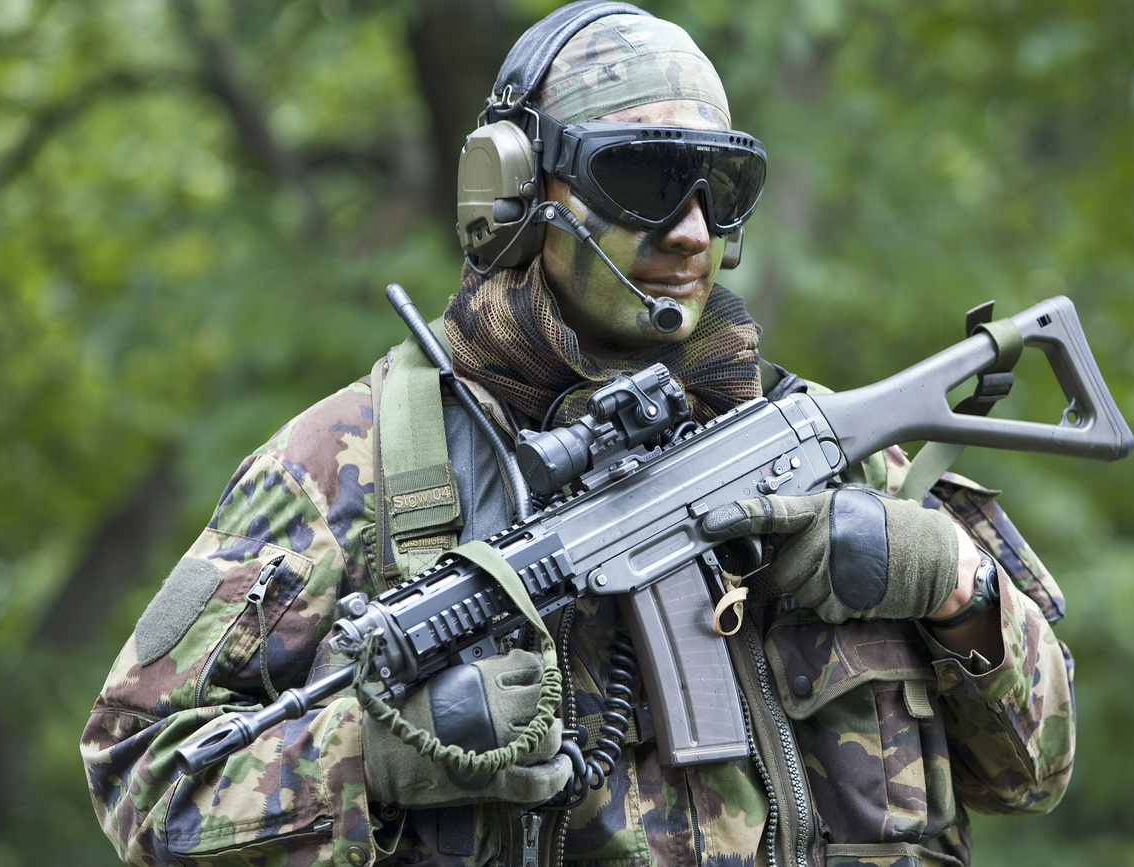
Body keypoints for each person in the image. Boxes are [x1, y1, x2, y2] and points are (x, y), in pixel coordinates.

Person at [81, 4, 1074, 866]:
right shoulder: (352, 469)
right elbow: (140, 782)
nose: (688, 231)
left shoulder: (839, 455)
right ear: (517, 192)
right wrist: (378, 754)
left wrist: (954, 583)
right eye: (642, 181)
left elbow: (1035, 774)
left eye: (716, 188)